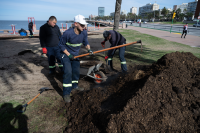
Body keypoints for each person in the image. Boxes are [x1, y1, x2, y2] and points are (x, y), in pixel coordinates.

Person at [58, 15, 93, 103]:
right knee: (68, 72)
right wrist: (69, 55)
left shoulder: (84, 32)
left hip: (76, 55)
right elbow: (61, 45)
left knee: (76, 71)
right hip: (65, 54)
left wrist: (89, 49)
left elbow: (86, 42)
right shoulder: (68, 33)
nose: (84, 27)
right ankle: (66, 93)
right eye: (82, 25)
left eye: (84, 25)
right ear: (76, 24)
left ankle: (74, 86)